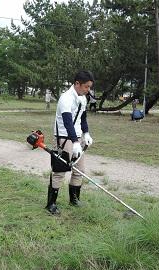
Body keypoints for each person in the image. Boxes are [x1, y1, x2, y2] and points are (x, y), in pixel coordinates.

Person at [46, 70, 94, 215]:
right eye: (86, 86)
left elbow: (82, 118)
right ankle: (51, 204)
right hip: (64, 138)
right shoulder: (65, 98)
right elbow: (67, 122)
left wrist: (86, 133)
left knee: (79, 170)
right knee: (60, 171)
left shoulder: (83, 98)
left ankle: (74, 199)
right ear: (77, 84)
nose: (88, 90)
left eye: (90, 87)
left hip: (77, 138)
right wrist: (74, 142)